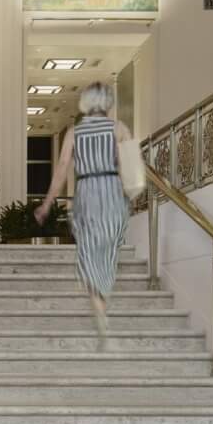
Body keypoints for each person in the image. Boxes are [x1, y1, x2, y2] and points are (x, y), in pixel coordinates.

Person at [36, 81, 131, 347]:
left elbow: (61, 171)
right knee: (109, 251)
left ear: (86, 102)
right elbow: (129, 168)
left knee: (88, 254)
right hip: (112, 191)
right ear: (107, 101)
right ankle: (104, 298)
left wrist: (46, 204)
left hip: (87, 191)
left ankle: (98, 309)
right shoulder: (119, 129)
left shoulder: (74, 133)